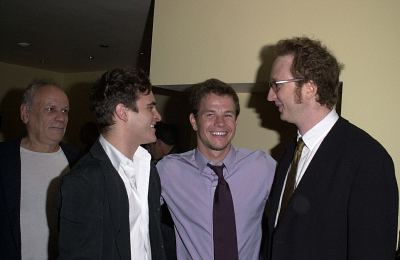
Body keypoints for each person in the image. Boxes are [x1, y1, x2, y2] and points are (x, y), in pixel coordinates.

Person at [262, 36, 398, 260]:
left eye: (277, 85)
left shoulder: (369, 160)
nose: (269, 96)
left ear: (309, 88)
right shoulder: (288, 153)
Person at [157, 78, 276, 259]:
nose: (220, 123)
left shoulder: (262, 166)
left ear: (236, 121)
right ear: (194, 121)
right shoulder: (169, 171)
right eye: (210, 114)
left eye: (228, 115)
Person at [58, 68, 166, 260]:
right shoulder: (84, 181)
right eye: (150, 107)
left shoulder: (147, 167)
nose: (158, 116)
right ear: (122, 112)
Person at [0, 79, 78, 260]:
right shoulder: (3, 160)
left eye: (65, 110)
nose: (61, 117)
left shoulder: (80, 162)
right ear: (25, 113)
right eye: (51, 109)